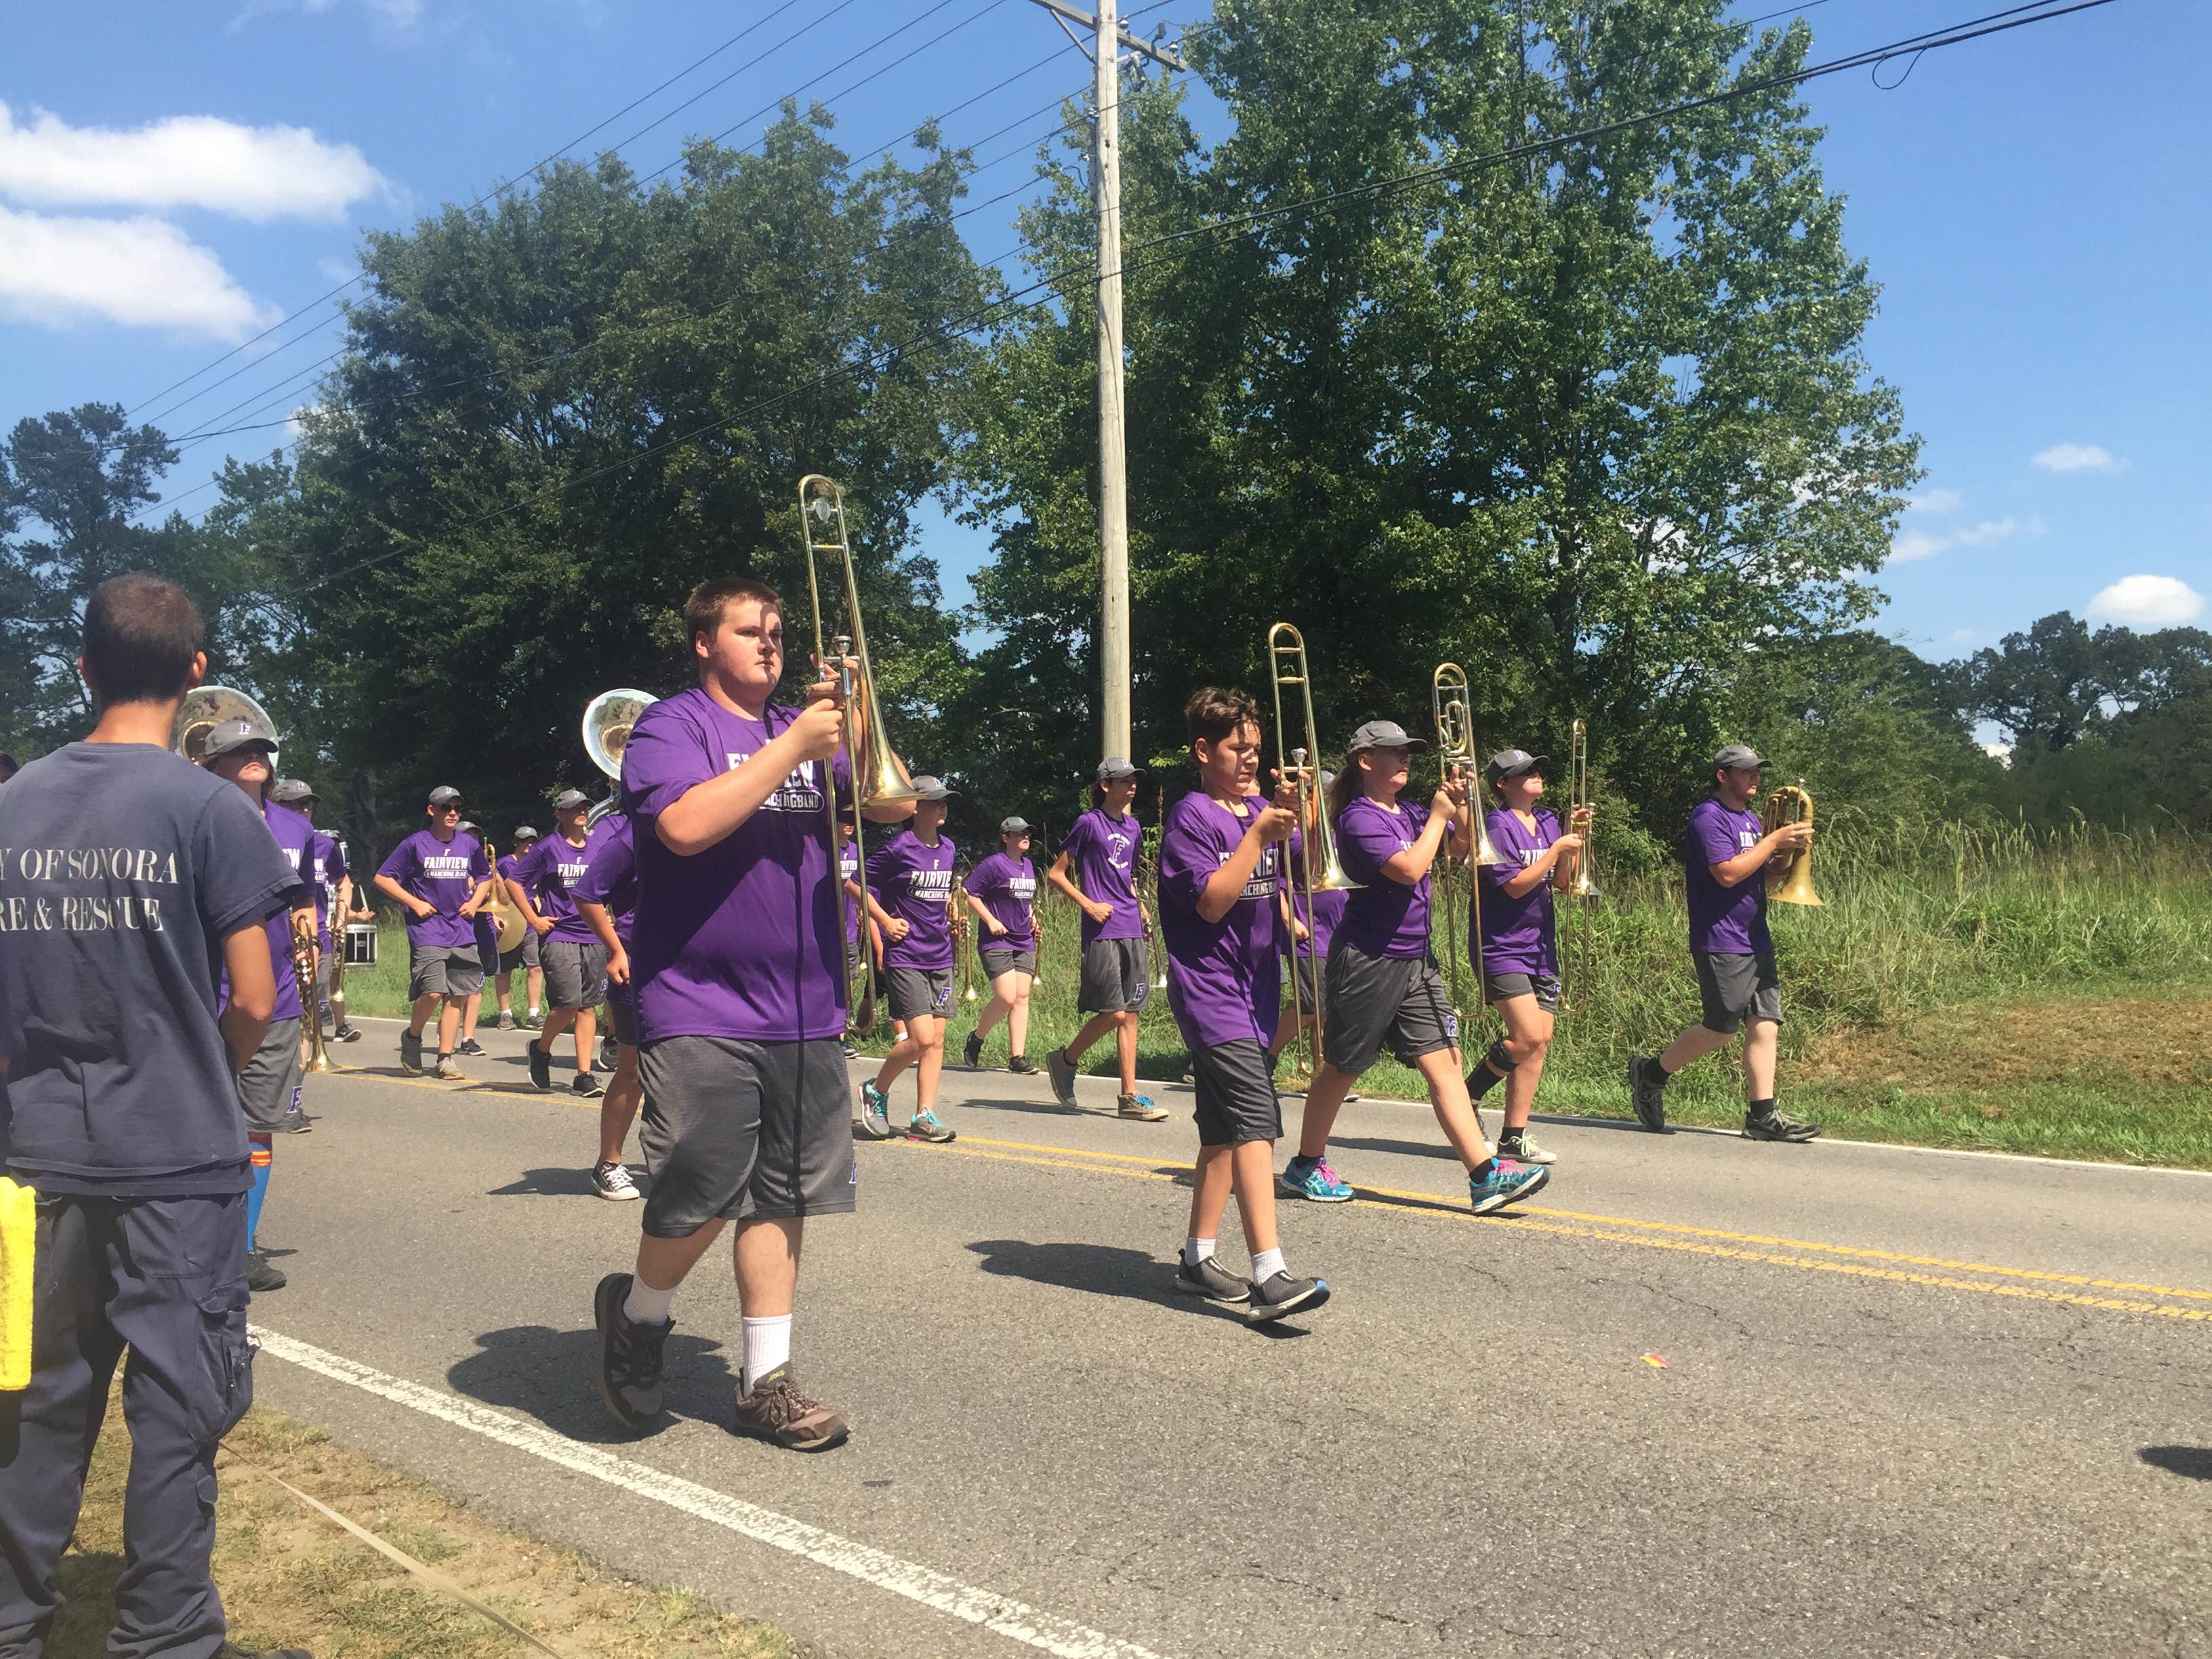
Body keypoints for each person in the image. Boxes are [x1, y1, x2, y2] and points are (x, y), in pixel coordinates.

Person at [0, 572, 313, 1659]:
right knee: (178, 1414)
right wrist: (203, 1072)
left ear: (81, 666)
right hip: (179, 1156)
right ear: (195, 676)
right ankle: (167, 1634)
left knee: (33, 1407)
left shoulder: (13, 802)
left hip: (35, 1158)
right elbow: (260, 997)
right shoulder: (211, 808)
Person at [593, 574, 902, 1452]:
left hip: (806, 1006)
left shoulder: (807, 731)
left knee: (787, 1193)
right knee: (698, 1183)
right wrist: (797, 745)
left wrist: (860, 712)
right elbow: (686, 827)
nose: (769, 642)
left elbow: (890, 801)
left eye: (775, 630)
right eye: (747, 630)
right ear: (704, 643)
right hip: (699, 1001)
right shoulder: (670, 727)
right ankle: (641, 1313)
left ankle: (764, 1382)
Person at [1283, 720, 1551, 1214]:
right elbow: (1408, 870)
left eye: (1409, 753)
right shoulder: (1359, 817)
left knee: (1445, 1061)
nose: (1406, 760)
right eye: (1395, 753)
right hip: (1368, 959)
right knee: (1343, 1067)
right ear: (1366, 762)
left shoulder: (1407, 810)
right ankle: (1306, 1164)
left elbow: (1462, 847)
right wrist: (1436, 817)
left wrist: (1463, 803)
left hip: (1416, 958)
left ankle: (1483, 1176)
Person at [1158, 687, 1332, 1323]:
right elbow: (1212, 900)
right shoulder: (1192, 817)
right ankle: (1270, 1274)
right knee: (1257, 1120)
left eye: (1256, 749)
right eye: (1238, 748)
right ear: (1204, 750)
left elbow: (1299, 870)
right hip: (1210, 991)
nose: (1251, 759)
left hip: (1256, 989)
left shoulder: (1257, 806)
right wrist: (1260, 833)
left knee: (1224, 1132)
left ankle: (1197, 1259)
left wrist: (1302, 814)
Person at [1628, 745, 1822, 1141]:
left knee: (1765, 1024)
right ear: (1723, 775)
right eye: (1747, 770)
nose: (1756, 777)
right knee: (1721, 1028)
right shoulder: (1708, 818)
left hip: (1755, 936)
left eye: (1758, 770)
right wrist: (1773, 841)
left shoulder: (1752, 820)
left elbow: (1763, 878)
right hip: (1721, 938)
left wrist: (1789, 854)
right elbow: (1728, 874)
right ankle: (1651, 1074)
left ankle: (1762, 1116)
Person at [200, 722, 319, 1290]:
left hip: (278, 996)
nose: (254, 758)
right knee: (200, 1122)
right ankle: (194, 1237)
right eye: (238, 752)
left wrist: (310, 936)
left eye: (261, 751)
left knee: (258, 1127)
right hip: (202, 993)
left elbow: (305, 900)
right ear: (211, 763)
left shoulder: (298, 828)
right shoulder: (193, 817)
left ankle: (241, 1248)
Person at [1462, 747, 1589, 1166]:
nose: (1536, 775)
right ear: (1503, 784)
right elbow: (1515, 885)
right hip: (1500, 946)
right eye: (1525, 772)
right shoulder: (1496, 826)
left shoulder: (1550, 820)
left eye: (1536, 768)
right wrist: (1555, 851)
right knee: (1528, 1035)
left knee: (1538, 1044)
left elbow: (1561, 882)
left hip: (1540, 946)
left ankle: (1513, 1137)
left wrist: (1571, 848)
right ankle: (1468, 1094)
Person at [1044, 758, 1168, 1121]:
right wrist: (1088, 905)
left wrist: (1140, 904)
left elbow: (1126, 873)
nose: (1132, 786)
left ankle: (1128, 1096)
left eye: (1134, 781)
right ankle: (1066, 1059)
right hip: (1102, 928)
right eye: (1123, 781)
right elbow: (1056, 874)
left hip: (1131, 923)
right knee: (1113, 1011)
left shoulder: (1133, 826)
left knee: (1131, 1014)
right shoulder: (1088, 823)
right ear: (1105, 786)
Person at [855, 777, 958, 1143]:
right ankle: (875, 1090)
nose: (942, 807)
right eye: (935, 802)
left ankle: (924, 1115)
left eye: (945, 802)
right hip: (907, 955)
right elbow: (855, 883)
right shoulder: (899, 847)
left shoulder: (948, 848)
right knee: (920, 1038)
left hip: (940, 954)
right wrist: (884, 921)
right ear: (915, 808)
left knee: (938, 1039)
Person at [373, 785, 493, 1080]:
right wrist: (414, 902)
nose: (452, 813)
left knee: (457, 996)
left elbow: (485, 876)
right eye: (445, 808)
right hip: (427, 929)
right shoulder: (415, 843)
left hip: (462, 930)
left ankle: (445, 1058)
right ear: (432, 811)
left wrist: (476, 902)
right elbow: (382, 878)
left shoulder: (468, 844)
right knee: (434, 991)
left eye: (457, 808)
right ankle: (413, 1037)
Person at [508, 790, 611, 1099]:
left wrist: (610, 917)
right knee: (567, 1004)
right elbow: (514, 881)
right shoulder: (548, 848)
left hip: (593, 935)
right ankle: (541, 1049)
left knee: (587, 1006)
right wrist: (534, 919)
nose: (581, 812)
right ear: (560, 814)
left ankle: (584, 1075)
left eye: (584, 807)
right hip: (560, 934)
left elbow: (608, 884)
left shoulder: (598, 847)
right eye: (574, 808)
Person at [1265, 769, 1351, 1092]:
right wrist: (1290, 920)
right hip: (1308, 930)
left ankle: (1322, 1074)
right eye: (1320, 795)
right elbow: (1277, 884)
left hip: (1337, 931)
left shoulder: (1336, 833)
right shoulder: (1294, 836)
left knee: (1327, 1009)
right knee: (1309, 1005)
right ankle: (1265, 1060)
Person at [575, 810, 644, 1201]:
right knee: (632, 1070)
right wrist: (616, 949)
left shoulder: (701, 823)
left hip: (691, 967)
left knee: (694, 1069)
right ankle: (609, 1164)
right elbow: (587, 893)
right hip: (639, 964)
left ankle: (685, 1161)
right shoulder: (632, 836)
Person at [960, 816, 1041, 1075]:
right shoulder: (994, 865)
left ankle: (1017, 1057)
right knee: (1006, 996)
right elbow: (971, 894)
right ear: (1006, 838)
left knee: (1021, 997)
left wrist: (1033, 919)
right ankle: (977, 1037)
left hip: (1023, 939)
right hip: (997, 940)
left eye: (1027, 832)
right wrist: (990, 920)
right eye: (1018, 833)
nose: (1025, 836)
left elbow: (1024, 901)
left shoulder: (1028, 866)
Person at [495, 825, 545, 1029]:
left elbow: (539, 892)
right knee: (505, 969)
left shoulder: (538, 865)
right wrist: (495, 916)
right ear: (516, 843)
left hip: (530, 922)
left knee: (536, 966)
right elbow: (494, 894)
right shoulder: (504, 864)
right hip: (509, 922)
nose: (529, 845)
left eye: (533, 841)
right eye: (525, 841)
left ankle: (534, 1013)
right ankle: (505, 1014)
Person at [453, 821, 496, 1057]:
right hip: (459, 929)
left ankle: (468, 1038)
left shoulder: (482, 867)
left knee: (478, 984)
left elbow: (503, 899)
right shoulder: (454, 867)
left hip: (483, 927)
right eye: (467, 837)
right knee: (457, 989)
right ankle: (448, 1029)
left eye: (475, 838)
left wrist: (495, 877)